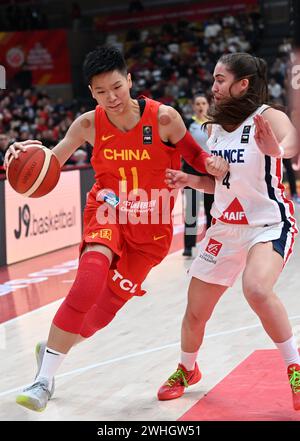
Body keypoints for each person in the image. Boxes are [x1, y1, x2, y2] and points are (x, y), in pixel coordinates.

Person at [5, 45, 228, 412]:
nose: (111, 98)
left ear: (130, 80)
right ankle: (43, 380)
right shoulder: (88, 124)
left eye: (116, 88)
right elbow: (51, 161)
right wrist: (24, 151)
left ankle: (52, 348)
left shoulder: (164, 119)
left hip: (151, 230)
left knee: (99, 317)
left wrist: (212, 165)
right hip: (107, 211)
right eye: (101, 91)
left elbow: (195, 155)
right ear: (91, 92)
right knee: (87, 282)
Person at [157, 52, 300, 411]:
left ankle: (295, 369)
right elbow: (219, 182)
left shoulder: (268, 117)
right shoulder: (213, 126)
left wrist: (277, 150)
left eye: (220, 80)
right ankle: (187, 369)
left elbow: (293, 141)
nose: (213, 86)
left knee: (255, 288)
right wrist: (191, 179)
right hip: (224, 228)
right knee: (194, 312)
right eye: (214, 79)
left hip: (267, 224)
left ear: (243, 84)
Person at [182, 93, 214, 257]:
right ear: (193, 107)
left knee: (212, 210)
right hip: (191, 171)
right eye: (198, 104)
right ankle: (188, 246)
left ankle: (210, 243)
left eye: (203, 103)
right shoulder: (188, 124)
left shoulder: (215, 124)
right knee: (191, 210)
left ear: (208, 105)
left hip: (211, 172)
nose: (201, 106)